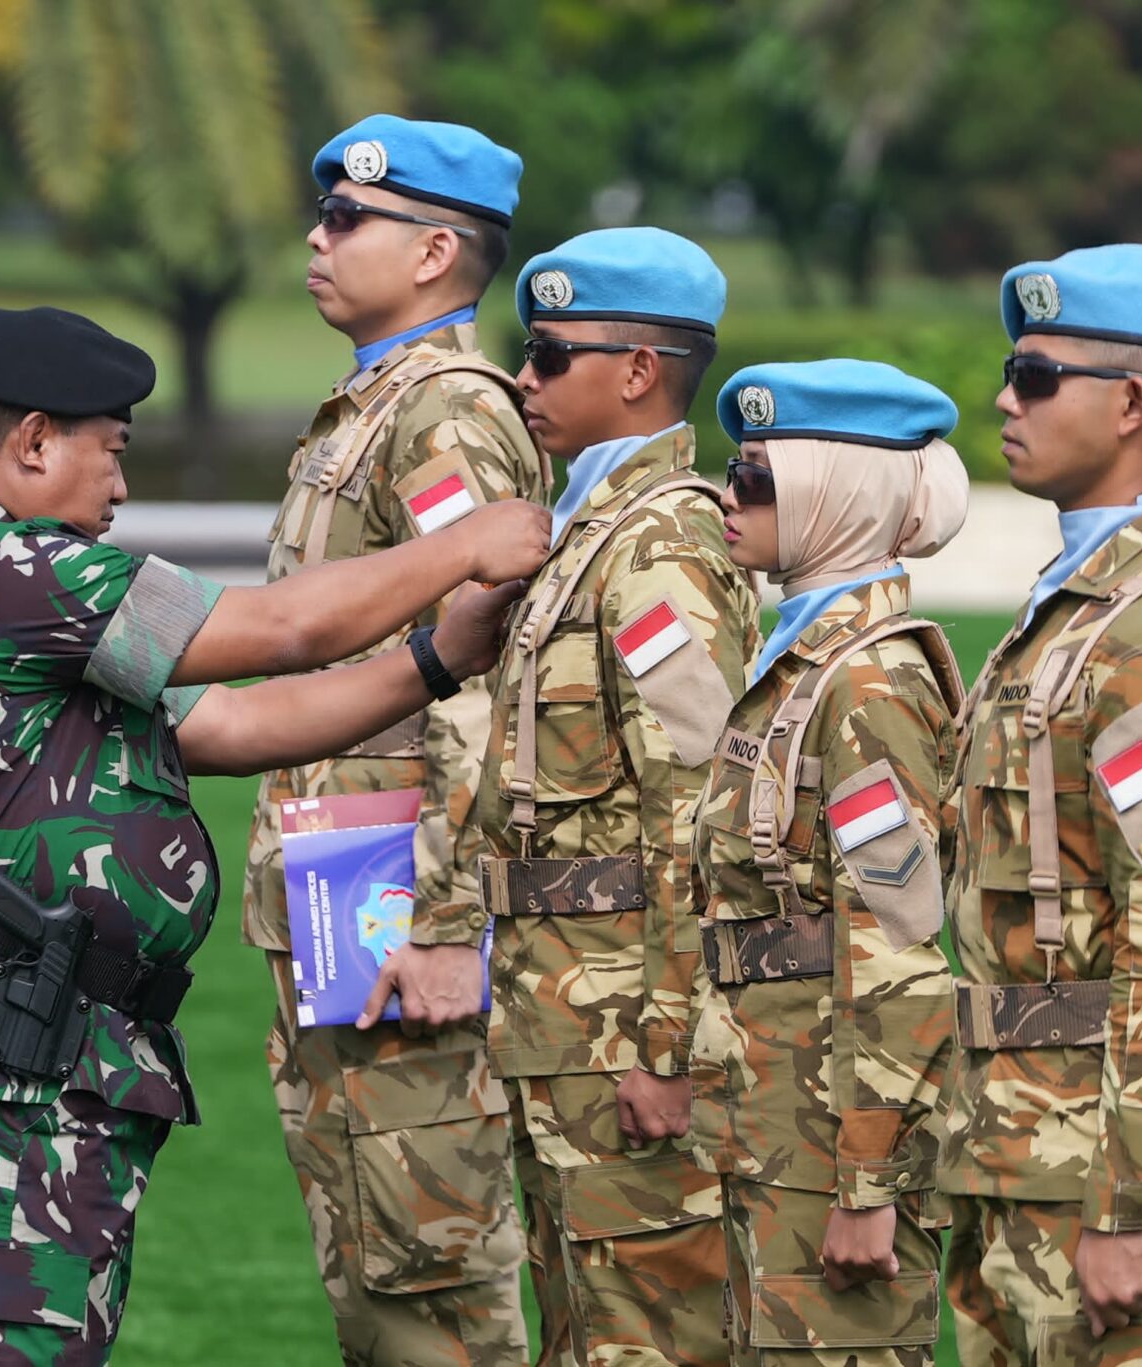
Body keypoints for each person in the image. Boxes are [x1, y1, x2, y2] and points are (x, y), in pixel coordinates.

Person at [0, 305, 551, 1366]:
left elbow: (230, 722)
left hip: (42, 1044)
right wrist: (461, 546)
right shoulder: (18, 570)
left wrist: (432, 661)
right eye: (112, 452)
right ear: (34, 440)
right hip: (9, 1047)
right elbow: (280, 630)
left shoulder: (13, 588)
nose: (121, 486)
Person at [242, 112, 547, 1366]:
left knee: (430, 1276)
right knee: (371, 1260)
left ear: (433, 253)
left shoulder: (443, 421)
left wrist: (442, 921)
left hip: (391, 892)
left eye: (347, 219)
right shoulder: (372, 406)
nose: (317, 238)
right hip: (339, 882)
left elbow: (475, 675)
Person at [940, 244, 1142, 1365]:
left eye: (1033, 376)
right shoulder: (1081, 614)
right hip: (1018, 1141)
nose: (1001, 397)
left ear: (1130, 403)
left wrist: (1129, 1202)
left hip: (1095, 1157)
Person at [458, 228, 758, 1366]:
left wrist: (666, 1046)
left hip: (621, 1027)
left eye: (545, 354)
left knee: (646, 1339)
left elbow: (698, 814)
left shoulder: (659, 548)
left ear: (636, 371)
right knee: (582, 1333)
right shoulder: (588, 532)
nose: (522, 379)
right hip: (560, 1019)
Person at [683, 360, 969, 1365]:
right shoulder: (804, 657)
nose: (727, 494)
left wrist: (867, 1182)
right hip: (772, 1117)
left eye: (755, 476)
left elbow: (894, 947)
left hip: (827, 1141)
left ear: (831, 491)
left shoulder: (867, 682)